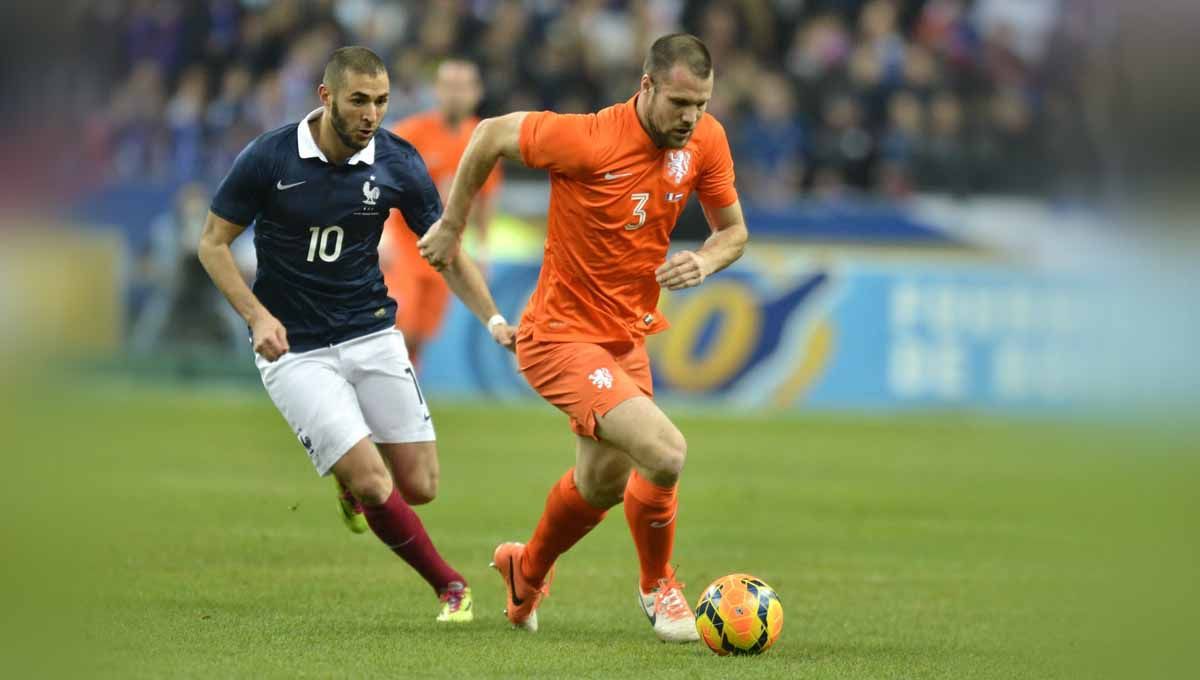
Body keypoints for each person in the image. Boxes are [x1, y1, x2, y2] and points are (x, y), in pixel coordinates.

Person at [418, 33, 749, 642]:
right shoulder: (588, 138)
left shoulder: (707, 140)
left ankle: (526, 570)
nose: (690, 117)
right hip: (559, 336)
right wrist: (451, 224)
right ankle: (659, 588)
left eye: (701, 103)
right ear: (646, 86)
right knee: (666, 452)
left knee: (601, 485)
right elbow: (489, 132)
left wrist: (703, 262)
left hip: (625, 336)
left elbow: (733, 232)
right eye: (679, 102)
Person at [197, 46, 516, 624]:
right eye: (360, 100)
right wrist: (256, 316)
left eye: (382, 101)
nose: (372, 113)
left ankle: (350, 482)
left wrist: (494, 318)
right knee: (375, 482)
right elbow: (212, 243)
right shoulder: (269, 157)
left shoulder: (396, 161)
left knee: (419, 486)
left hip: (370, 332)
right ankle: (451, 586)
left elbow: (444, 249)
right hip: (294, 348)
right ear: (327, 98)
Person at [380, 57, 501, 370]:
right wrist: (381, 236)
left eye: (462, 87)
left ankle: (406, 391)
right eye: (449, 86)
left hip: (446, 252)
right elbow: (379, 183)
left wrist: (484, 250)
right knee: (399, 326)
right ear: (436, 90)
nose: (455, 94)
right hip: (407, 245)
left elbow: (485, 199)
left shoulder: (484, 137)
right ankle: (383, 391)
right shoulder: (411, 133)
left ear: (477, 92)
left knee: (420, 333)